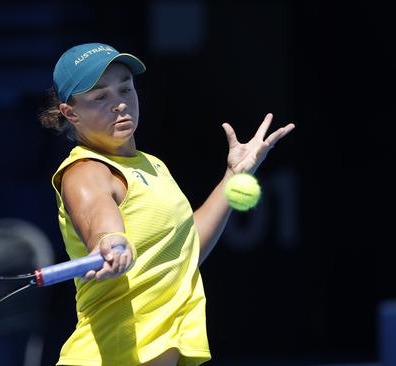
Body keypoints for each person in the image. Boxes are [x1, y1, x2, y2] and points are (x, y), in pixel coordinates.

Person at [38, 42, 295, 366]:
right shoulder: (84, 172)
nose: (119, 104)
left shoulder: (152, 165)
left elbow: (185, 251)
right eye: (100, 97)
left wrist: (232, 175)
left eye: (125, 89)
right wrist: (110, 242)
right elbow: (99, 221)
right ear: (70, 113)